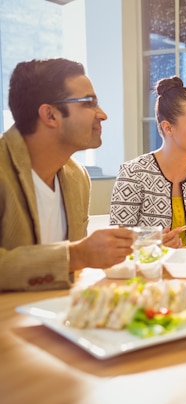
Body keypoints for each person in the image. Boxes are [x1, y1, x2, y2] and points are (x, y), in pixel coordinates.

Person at [0, 58, 134, 292]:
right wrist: (76, 255)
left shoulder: (77, 177)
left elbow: (73, 273)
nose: (102, 115)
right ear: (50, 115)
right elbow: (75, 257)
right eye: (89, 103)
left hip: (58, 319)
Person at [109, 76, 186, 247]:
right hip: (145, 272)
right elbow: (117, 245)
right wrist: (154, 245)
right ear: (168, 127)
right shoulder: (133, 174)